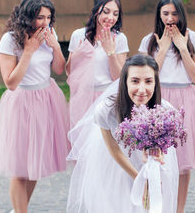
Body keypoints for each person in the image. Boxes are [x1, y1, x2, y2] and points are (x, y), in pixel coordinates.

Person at [66, 54, 179, 213]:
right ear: (124, 82)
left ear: (156, 83)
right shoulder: (107, 111)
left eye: (148, 81)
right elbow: (113, 149)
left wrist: (156, 158)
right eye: (135, 81)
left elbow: (162, 147)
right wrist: (138, 178)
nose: (141, 89)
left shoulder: (165, 111)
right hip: (116, 167)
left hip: (147, 164)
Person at [0, 0, 69, 213]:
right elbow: (11, 82)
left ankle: (19, 210)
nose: (45, 23)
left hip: (46, 100)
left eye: (48, 18)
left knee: (36, 165)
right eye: (40, 17)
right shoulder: (10, 39)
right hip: (21, 103)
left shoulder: (48, 34)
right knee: (20, 169)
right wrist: (28, 51)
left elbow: (60, 69)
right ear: (27, 16)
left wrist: (54, 47)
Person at [138, 0, 195, 213]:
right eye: (166, 13)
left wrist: (180, 46)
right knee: (155, 159)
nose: (170, 19)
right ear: (159, 15)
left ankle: (179, 209)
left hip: (185, 101)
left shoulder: (193, 38)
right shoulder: (149, 40)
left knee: (183, 163)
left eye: (174, 14)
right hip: (158, 99)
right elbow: (147, 73)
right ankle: (156, 207)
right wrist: (164, 47)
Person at [65, 0, 129, 128]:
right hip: (83, 96)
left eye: (115, 14)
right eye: (106, 11)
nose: (110, 17)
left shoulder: (119, 39)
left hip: (108, 97)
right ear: (96, 11)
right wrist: (78, 54)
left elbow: (118, 77)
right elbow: (69, 71)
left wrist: (110, 52)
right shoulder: (78, 35)